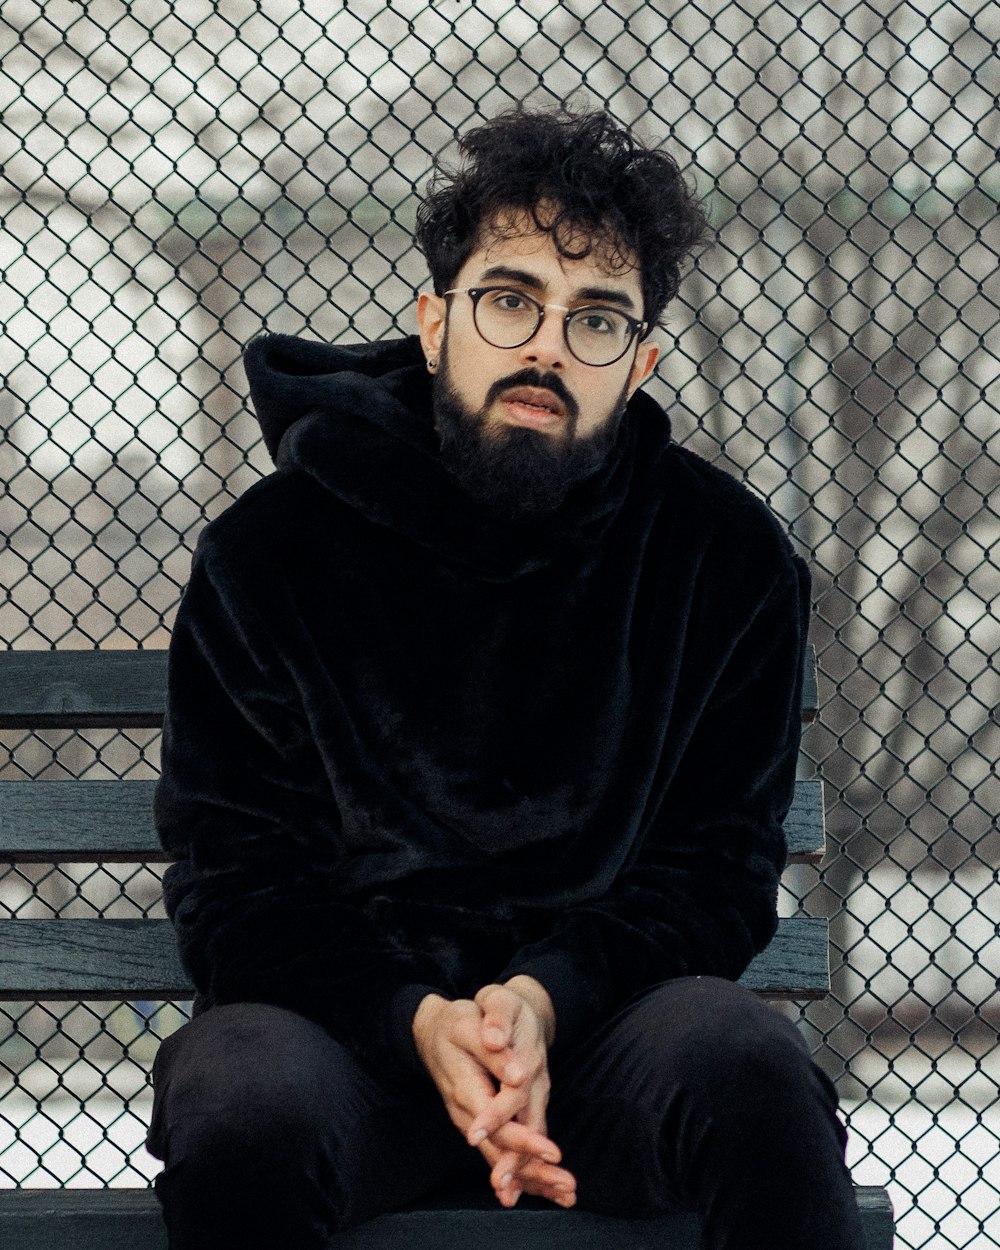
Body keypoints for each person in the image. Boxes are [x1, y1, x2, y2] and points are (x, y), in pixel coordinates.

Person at [146, 106, 865, 1249]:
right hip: (351, 1045)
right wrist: (415, 1020)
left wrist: (543, 998)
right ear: (436, 323)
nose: (544, 345)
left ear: (640, 363)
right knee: (241, 1091)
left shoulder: (723, 560)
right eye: (510, 298)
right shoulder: (272, 550)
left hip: (605, 1043)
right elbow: (237, 877)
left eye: (594, 320)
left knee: (749, 1064)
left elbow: (715, 872)